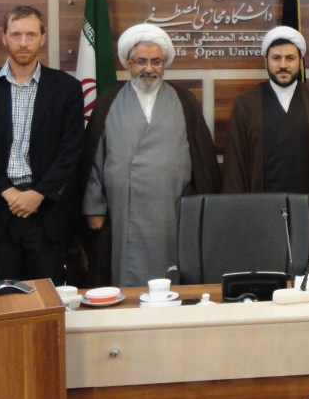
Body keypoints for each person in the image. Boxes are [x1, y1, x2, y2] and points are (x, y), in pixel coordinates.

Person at [81, 24, 222, 286]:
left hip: (172, 211)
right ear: (128, 63)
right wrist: (94, 208)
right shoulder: (109, 101)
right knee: (125, 279)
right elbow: (94, 161)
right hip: (123, 211)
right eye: (141, 62)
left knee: (172, 278)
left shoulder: (184, 100)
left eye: (156, 62)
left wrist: (201, 206)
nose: (149, 69)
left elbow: (202, 159)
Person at [0, 6, 85, 283]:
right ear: (3, 37)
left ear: (43, 38)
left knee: (47, 298)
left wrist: (38, 194)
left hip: (47, 213)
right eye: (16, 34)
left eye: (31, 35)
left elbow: (71, 150)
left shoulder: (66, 88)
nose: (23, 42)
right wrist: (8, 193)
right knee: (2, 299)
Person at [223, 26, 309, 265]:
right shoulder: (246, 104)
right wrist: (240, 216)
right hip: (259, 213)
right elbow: (235, 166)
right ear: (266, 61)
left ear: (300, 61)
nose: (283, 65)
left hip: (308, 212)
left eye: (290, 58)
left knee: (305, 274)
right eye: (276, 58)